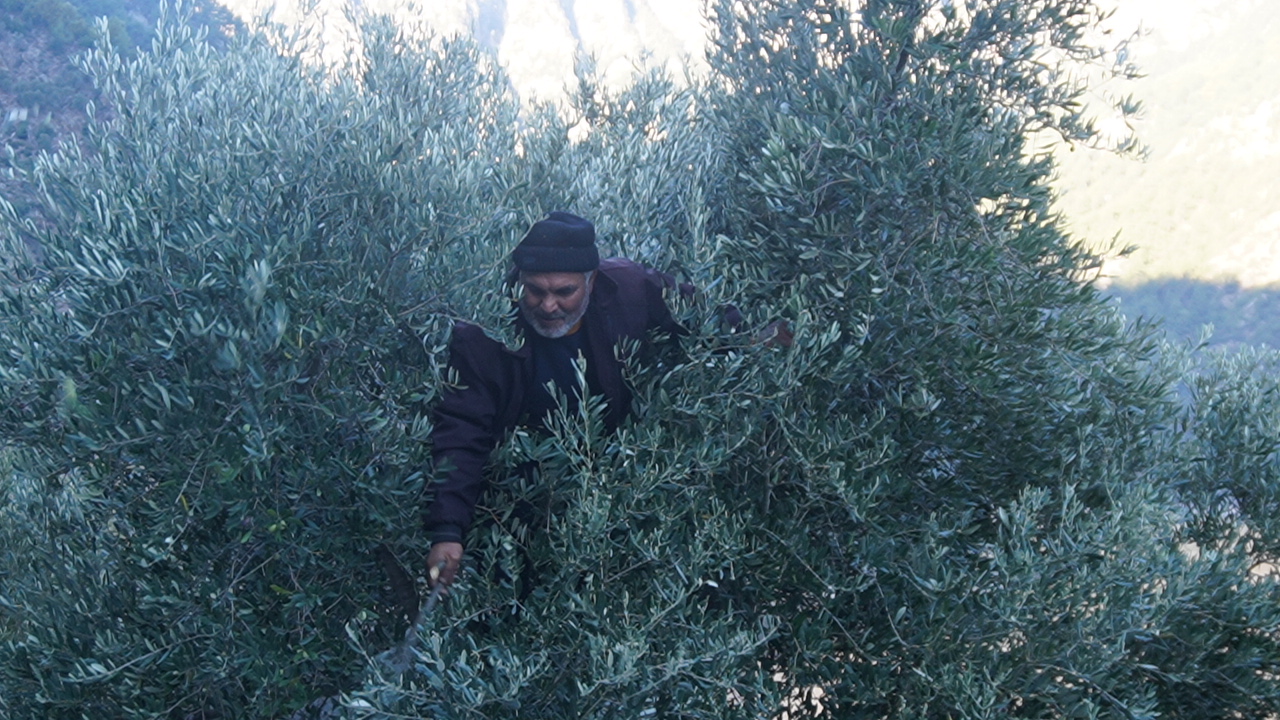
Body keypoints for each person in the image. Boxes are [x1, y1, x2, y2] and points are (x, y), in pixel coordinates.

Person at [423, 212, 692, 588]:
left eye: (564, 292)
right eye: (535, 290)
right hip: (517, 500)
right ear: (518, 281)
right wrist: (447, 530)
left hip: (610, 489)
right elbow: (462, 431)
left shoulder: (629, 288)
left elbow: (701, 318)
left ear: (592, 281)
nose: (548, 306)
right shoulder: (483, 332)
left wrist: (763, 337)